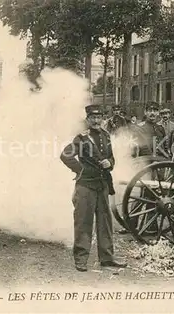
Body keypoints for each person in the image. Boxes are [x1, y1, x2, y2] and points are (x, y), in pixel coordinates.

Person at [60, 104, 127, 272]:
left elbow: (111, 157)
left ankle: (107, 258)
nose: (97, 121)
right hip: (86, 186)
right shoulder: (82, 138)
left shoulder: (106, 135)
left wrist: (109, 163)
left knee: (105, 222)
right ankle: (81, 259)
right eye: (93, 118)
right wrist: (81, 170)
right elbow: (65, 155)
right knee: (84, 223)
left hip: (102, 185)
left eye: (99, 117)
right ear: (87, 119)